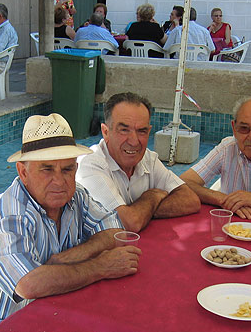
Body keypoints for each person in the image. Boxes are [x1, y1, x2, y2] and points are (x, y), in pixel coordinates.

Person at [0, 113, 140, 332]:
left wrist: (65, 259)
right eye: (47, 169)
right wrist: (100, 266)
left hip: (53, 313)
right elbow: (29, 284)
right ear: (23, 172)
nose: (59, 181)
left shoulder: (77, 196)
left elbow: (114, 231)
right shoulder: (6, 218)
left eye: (67, 169)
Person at [76, 92, 200, 232]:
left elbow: (190, 200)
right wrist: (152, 196)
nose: (134, 142)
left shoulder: (148, 158)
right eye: (124, 130)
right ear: (105, 132)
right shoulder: (90, 165)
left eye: (142, 131)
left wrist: (139, 211)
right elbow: (129, 224)